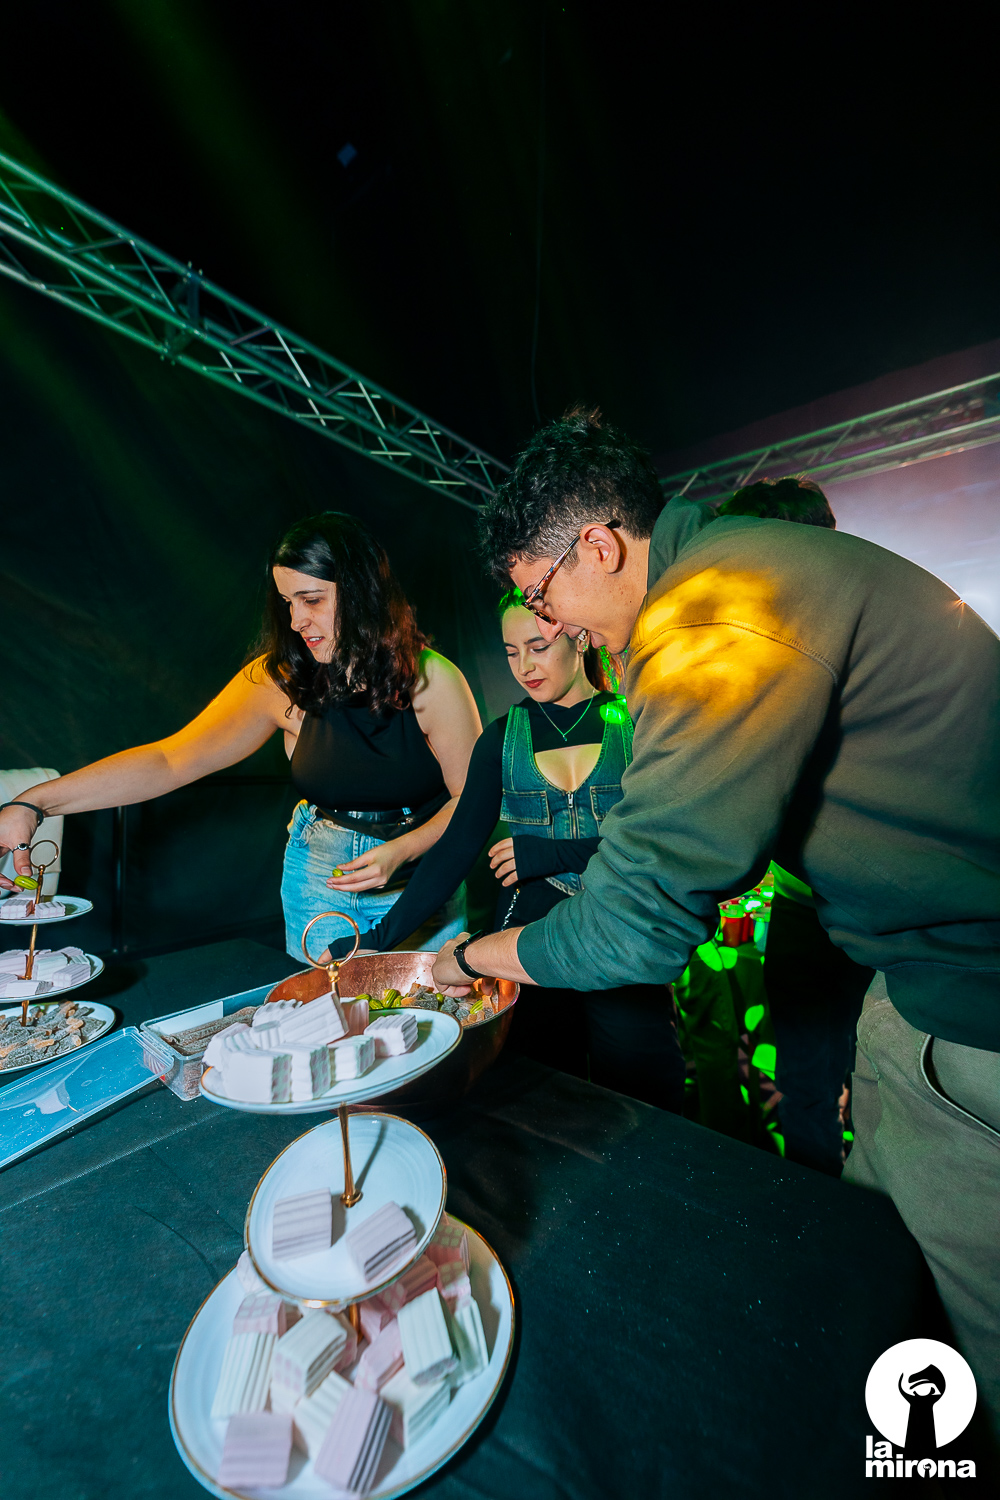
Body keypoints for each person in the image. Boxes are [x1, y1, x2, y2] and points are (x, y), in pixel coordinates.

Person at [430, 408, 1000, 1430]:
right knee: (871, 1261)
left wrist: (469, 958)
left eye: (542, 593)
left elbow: (635, 926)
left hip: (975, 1008)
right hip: (908, 983)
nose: (552, 625)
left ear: (598, 546)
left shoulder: (708, 616)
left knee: (972, 1342)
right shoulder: (739, 562)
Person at [0, 512, 482, 960]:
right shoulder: (279, 680)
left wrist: (406, 848)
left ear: (363, 593)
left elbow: (473, 800)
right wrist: (33, 803)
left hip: (425, 881)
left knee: (428, 1016)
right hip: (322, 882)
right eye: (288, 603)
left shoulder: (434, 680)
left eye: (312, 600)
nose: (296, 621)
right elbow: (171, 760)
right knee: (327, 1018)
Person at [327, 590, 686, 1110]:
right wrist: (375, 941)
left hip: (621, 932)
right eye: (511, 652)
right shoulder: (501, 738)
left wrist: (553, 854)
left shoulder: (634, 723)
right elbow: (454, 851)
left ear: (577, 636)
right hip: (527, 941)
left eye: (537, 647)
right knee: (541, 1098)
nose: (524, 667)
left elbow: (664, 841)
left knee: (647, 1097)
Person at [720, 476, 875, 1175]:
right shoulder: (750, 666)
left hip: (882, 912)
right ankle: (823, 1219)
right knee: (807, 1088)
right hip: (801, 911)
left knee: (886, 1086)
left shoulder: (875, 649)